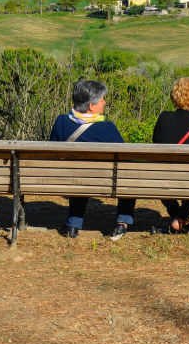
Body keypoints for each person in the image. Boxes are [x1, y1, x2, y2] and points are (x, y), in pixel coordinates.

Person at [49, 78, 136, 240]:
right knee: (127, 175)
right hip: (103, 180)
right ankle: (122, 222)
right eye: (102, 99)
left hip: (68, 179)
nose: (104, 102)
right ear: (91, 106)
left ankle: (73, 225)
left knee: (79, 174)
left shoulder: (60, 122)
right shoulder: (107, 128)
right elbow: (126, 159)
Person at [151, 77, 189, 234]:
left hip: (161, 181)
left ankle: (177, 216)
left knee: (161, 173)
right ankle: (181, 217)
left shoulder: (163, 119)